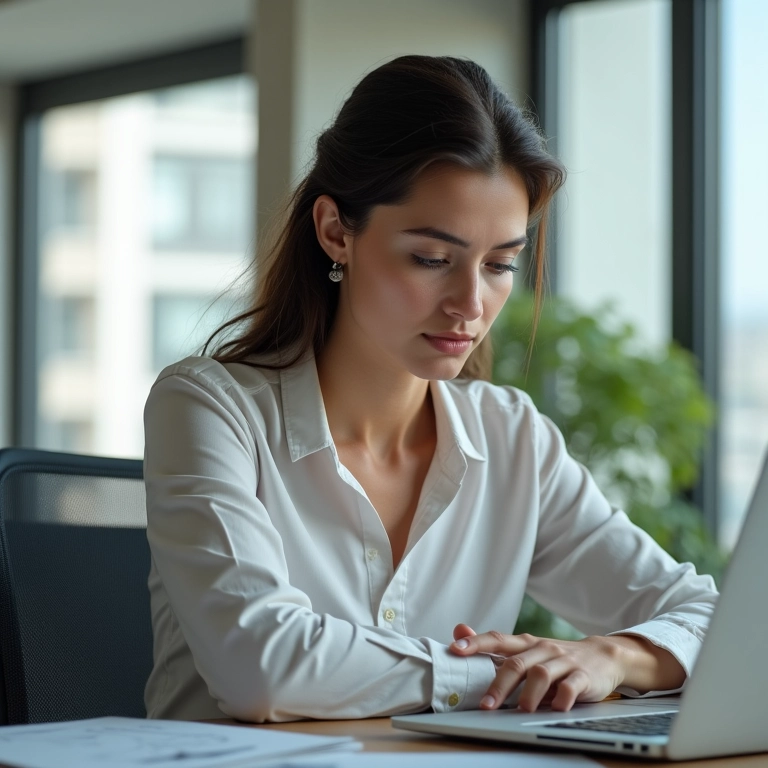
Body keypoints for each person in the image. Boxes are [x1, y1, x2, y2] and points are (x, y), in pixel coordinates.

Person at [143, 55, 718, 723]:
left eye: (501, 264)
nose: (471, 304)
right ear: (336, 232)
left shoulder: (511, 438)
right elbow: (261, 668)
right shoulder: (211, 408)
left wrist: (614, 659)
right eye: (432, 259)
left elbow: (709, 616)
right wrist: (499, 674)